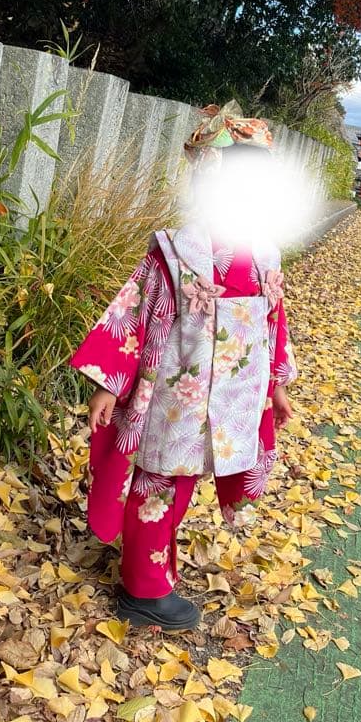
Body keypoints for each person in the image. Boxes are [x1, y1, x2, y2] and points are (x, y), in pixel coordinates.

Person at [69, 102, 298, 632]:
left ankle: (153, 570)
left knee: (186, 480)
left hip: (231, 395)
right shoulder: (177, 250)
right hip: (177, 388)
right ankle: (142, 589)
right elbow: (137, 309)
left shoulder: (264, 252)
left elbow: (272, 323)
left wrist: (277, 385)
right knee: (158, 481)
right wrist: (110, 381)